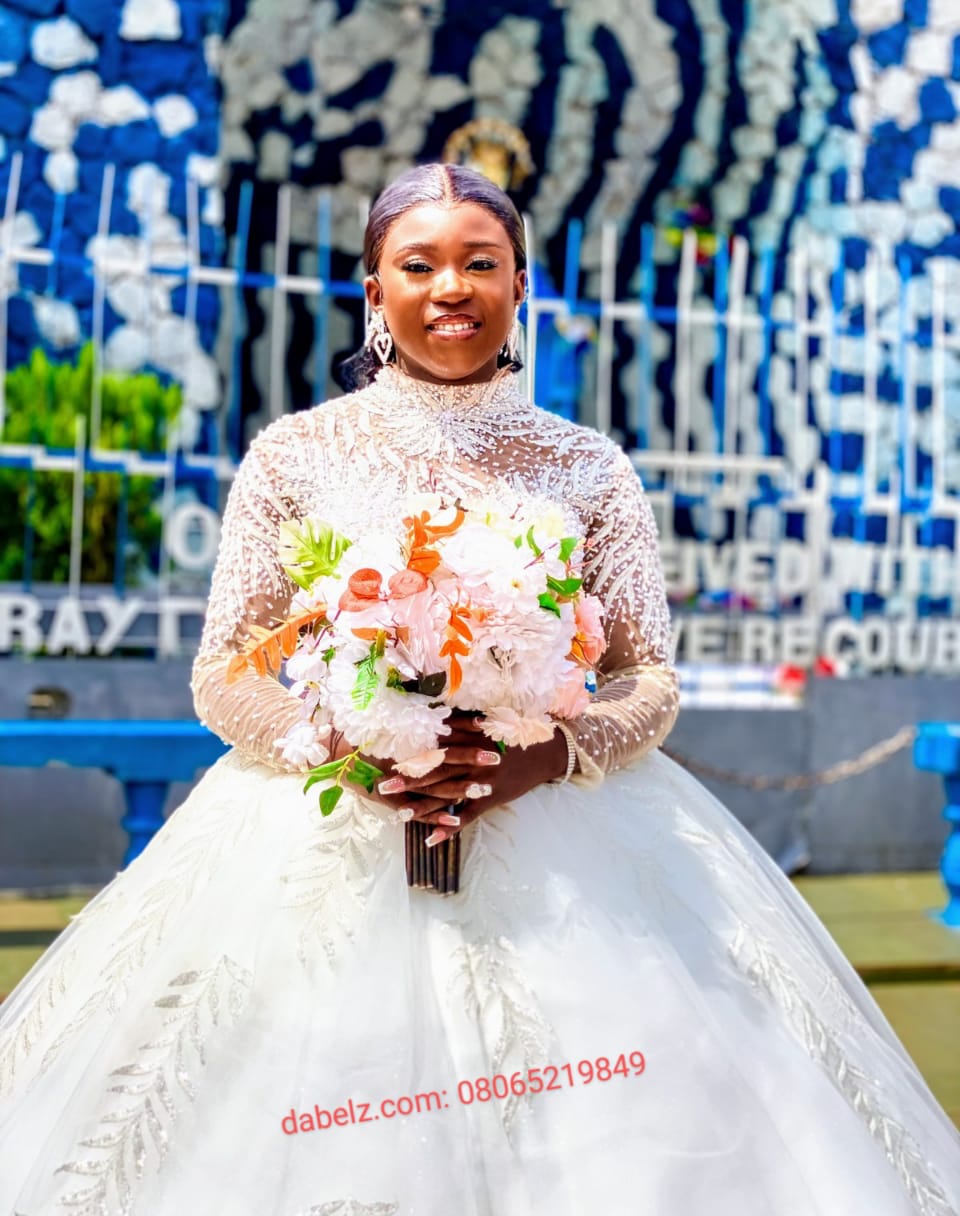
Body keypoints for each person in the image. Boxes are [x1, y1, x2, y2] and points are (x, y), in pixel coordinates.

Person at [1, 164, 957, 1216]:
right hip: (329, 830)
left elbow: (647, 677)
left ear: (518, 284)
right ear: (376, 290)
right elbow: (224, 669)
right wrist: (344, 748)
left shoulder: (587, 467)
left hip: (562, 834)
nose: (450, 286)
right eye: (419, 265)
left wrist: (545, 754)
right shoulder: (294, 456)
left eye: (480, 263)